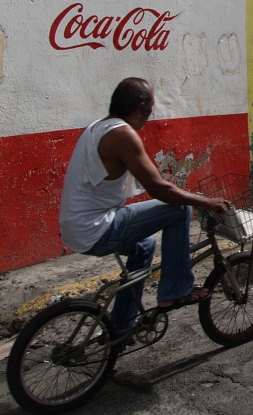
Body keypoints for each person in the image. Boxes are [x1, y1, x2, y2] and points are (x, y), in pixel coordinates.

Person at [59, 77, 232, 330]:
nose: (150, 117)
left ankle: (122, 326)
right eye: (150, 110)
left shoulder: (98, 127)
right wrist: (204, 201)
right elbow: (159, 189)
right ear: (140, 109)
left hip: (76, 227)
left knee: (144, 247)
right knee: (180, 209)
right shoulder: (123, 135)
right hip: (96, 228)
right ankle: (176, 290)